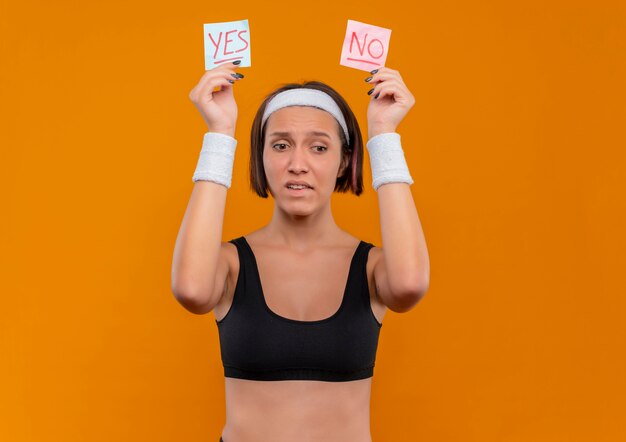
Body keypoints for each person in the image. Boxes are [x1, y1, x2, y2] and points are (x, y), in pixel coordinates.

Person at [171, 60, 430, 442]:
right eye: (280, 146)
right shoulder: (229, 264)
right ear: (260, 156)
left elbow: (410, 285)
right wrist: (221, 133)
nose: (297, 165)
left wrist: (383, 134)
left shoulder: (374, 267)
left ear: (344, 161)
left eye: (319, 147)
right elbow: (191, 290)